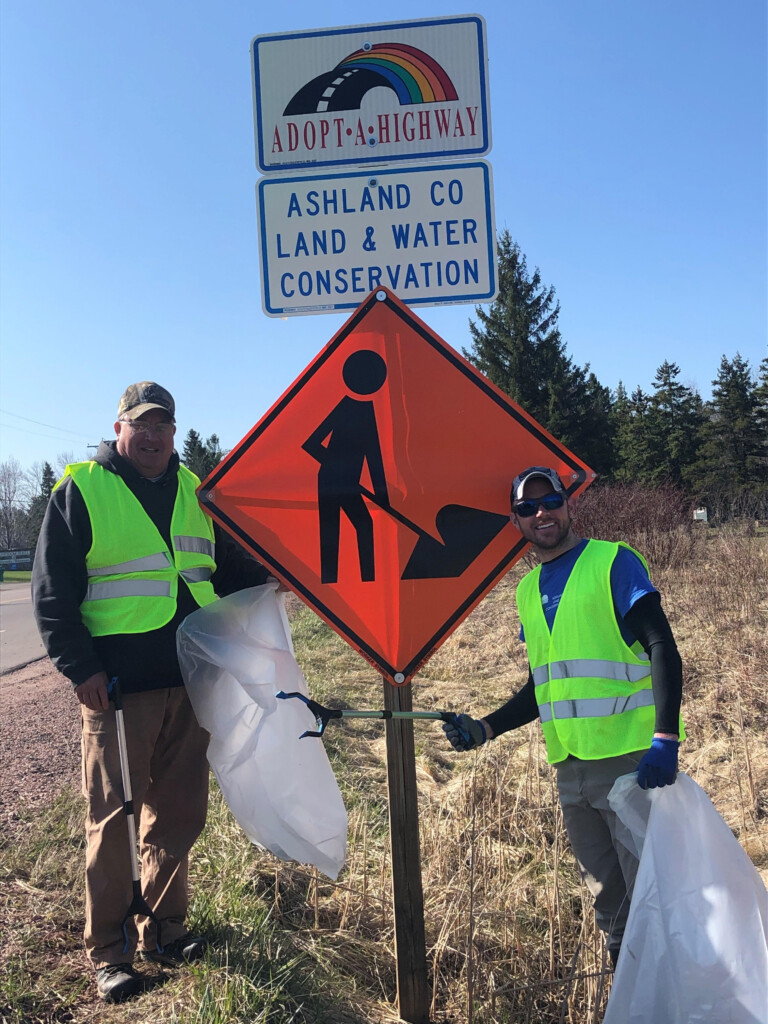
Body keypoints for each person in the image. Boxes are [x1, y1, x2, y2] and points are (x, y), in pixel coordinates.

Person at [32, 382, 271, 1003]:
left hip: (192, 680)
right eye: (140, 425)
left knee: (180, 811)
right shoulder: (81, 490)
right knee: (113, 819)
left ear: (174, 432)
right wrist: (78, 669)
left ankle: (164, 930)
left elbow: (229, 566)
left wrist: (278, 577)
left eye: (163, 426)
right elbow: (53, 593)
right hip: (115, 690)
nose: (153, 436)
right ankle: (109, 951)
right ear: (119, 429)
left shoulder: (196, 491)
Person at [443, 465, 684, 969]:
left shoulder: (612, 562)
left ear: (568, 502)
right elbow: (544, 684)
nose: (541, 514)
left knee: (655, 898)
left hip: (632, 764)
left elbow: (662, 645)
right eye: (527, 508)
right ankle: (630, 999)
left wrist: (664, 739)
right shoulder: (527, 591)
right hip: (570, 770)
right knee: (611, 906)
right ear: (516, 521)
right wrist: (488, 727)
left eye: (549, 501)